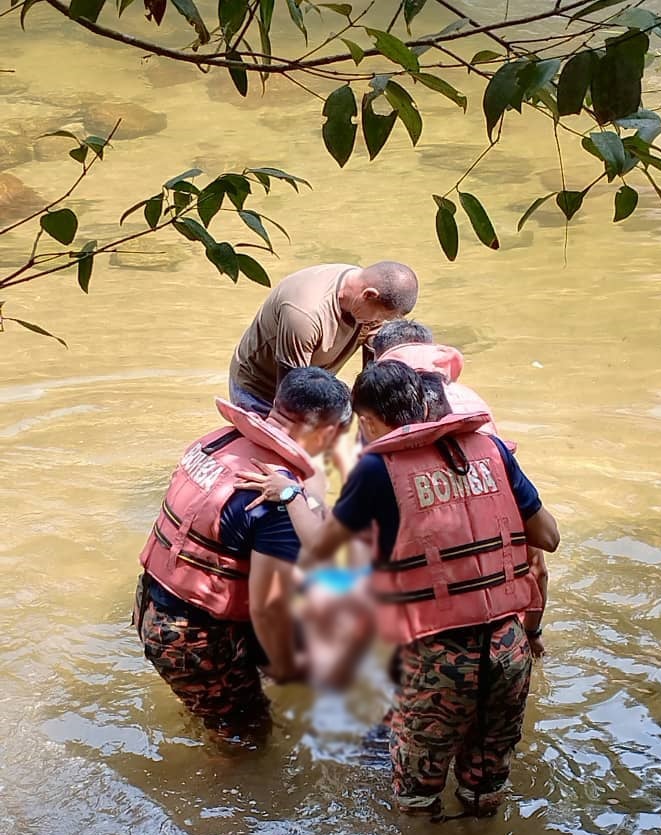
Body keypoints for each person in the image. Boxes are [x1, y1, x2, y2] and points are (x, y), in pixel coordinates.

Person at [240, 362, 559, 816]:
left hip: (439, 656)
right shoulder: (490, 449)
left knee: (417, 796)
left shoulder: (378, 470)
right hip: (508, 648)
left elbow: (321, 549)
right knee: (485, 785)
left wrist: (290, 494)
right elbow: (549, 536)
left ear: (368, 422)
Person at [133, 367, 352, 736]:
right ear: (329, 433)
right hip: (191, 637)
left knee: (218, 716)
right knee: (247, 740)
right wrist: (290, 672)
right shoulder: (272, 497)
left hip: (153, 606)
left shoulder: (217, 441)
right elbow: (267, 609)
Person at [372, 319, 549, 657]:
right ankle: (531, 638)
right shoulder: (469, 399)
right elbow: (543, 544)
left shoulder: (383, 406)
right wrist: (533, 632)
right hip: (495, 495)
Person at [229, 261, 419, 416]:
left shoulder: (363, 293)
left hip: (313, 378)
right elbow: (290, 395)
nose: (379, 323)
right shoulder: (305, 315)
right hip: (260, 390)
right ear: (368, 295)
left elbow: (371, 365)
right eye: (380, 318)